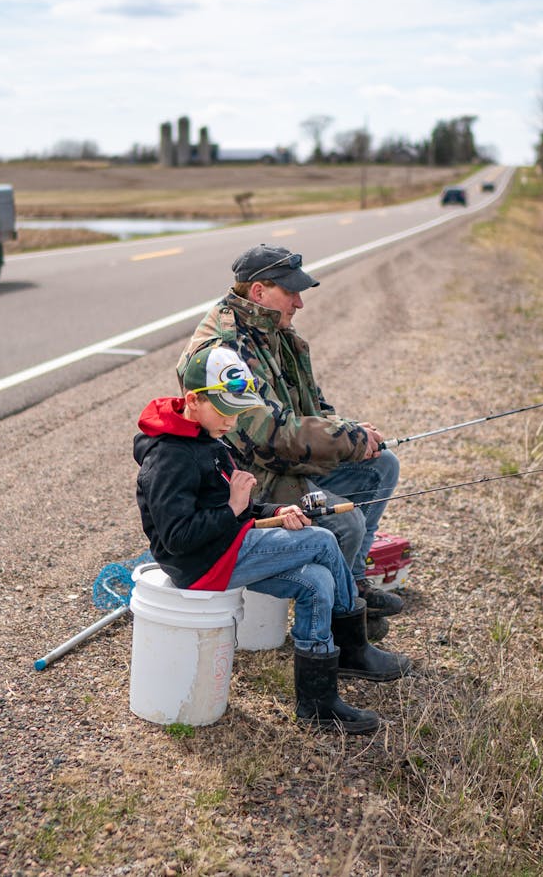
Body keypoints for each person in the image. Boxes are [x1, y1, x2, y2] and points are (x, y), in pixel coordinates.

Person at [133, 345, 411, 734]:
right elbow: (178, 538)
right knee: (322, 542)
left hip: (228, 547)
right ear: (193, 401)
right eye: (226, 409)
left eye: (238, 410)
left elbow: (244, 510)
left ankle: (317, 701)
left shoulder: (208, 437)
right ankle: (353, 647)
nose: (232, 420)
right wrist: (232, 509)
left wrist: (274, 513)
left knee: (318, 580)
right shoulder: (169, 457)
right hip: (202, 565)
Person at [179, 244, 406, 630]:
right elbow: (266, 438)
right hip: (248, 479)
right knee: (345, 524)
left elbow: (311, 407)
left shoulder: (274, 330)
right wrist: (346, 438)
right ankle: (338, 620)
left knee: (381, 465)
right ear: (259, 292)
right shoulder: (225, 349)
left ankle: (350, 583)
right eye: (291, 292)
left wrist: (353, 434)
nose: (300, 302)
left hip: (284, 462)